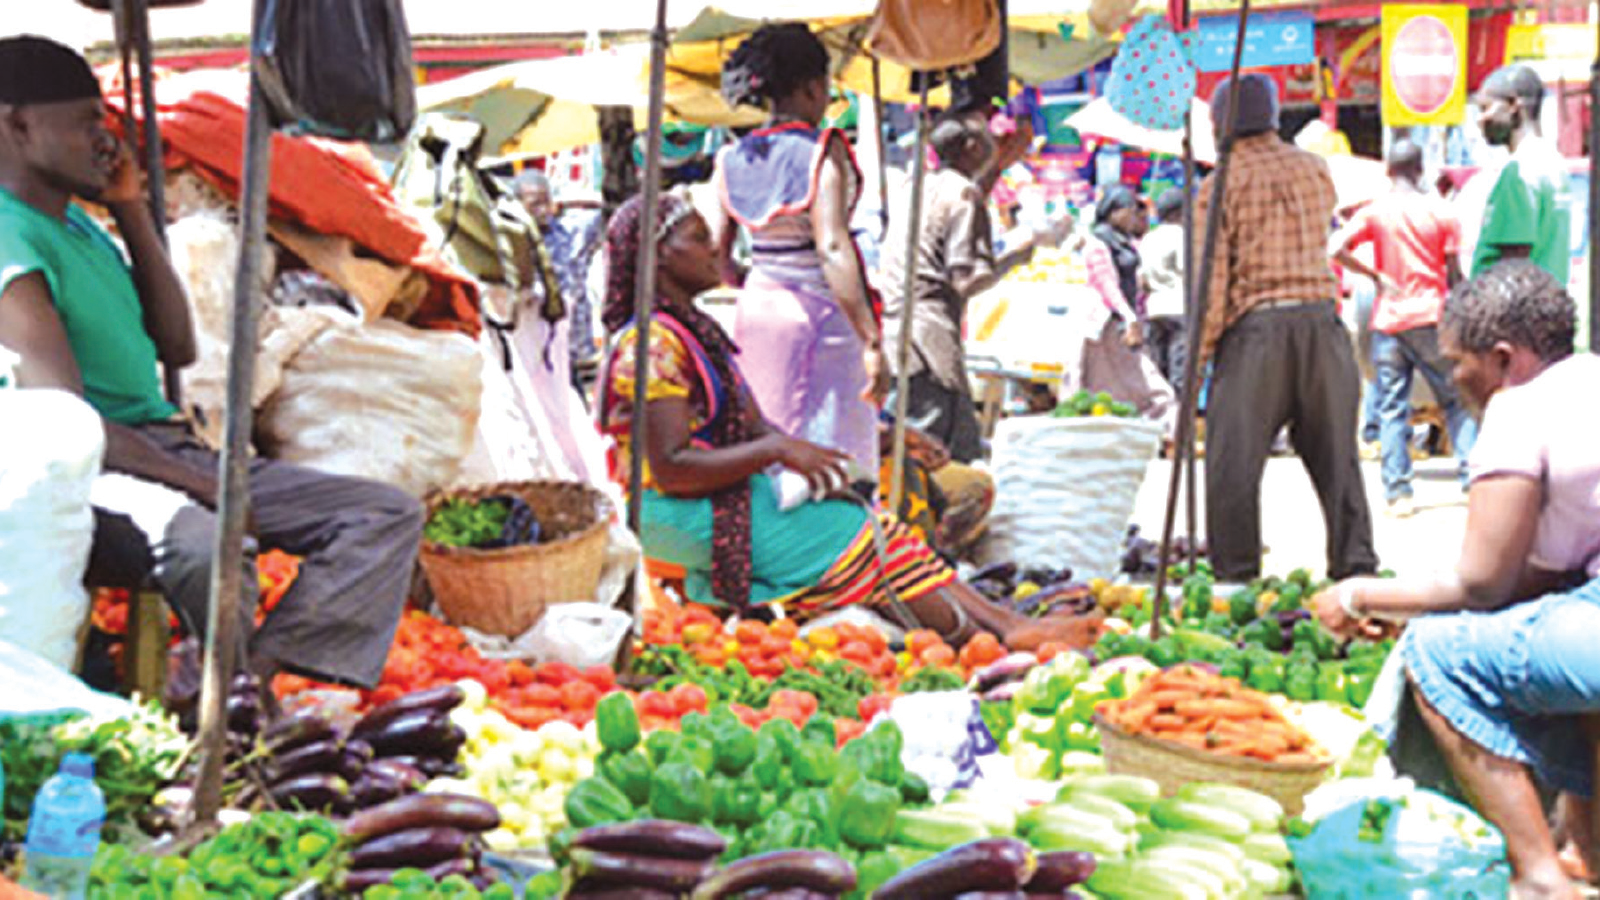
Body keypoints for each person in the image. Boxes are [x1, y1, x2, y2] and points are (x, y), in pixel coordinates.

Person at [0, 36, 423, 687]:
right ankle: (232, 705)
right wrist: (200, 483)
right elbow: (70, 428)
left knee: (381, 514)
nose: (105, 135)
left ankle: (249, 685)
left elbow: (177, 346)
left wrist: (131, 209)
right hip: (93, 469)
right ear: (17, 123)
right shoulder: (10, 237)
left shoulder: (78, 225)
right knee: (205, 543)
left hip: (165, 448)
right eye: (86, 119)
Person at [598, 191, 1101, 651]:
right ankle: (988, 639)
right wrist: (777, 454)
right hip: (673, 510)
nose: (716, 249)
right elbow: (670, 469)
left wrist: (866, 443)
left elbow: (756, 428)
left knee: (873, 524)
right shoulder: (651, 346)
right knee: (857, 535)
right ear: (660, 255)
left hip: (717, 494)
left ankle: (1004, 629)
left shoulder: (695, 332)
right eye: (699, 239)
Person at [1313, 261, 1600, 900]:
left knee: (1438, 654)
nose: (1452, 378)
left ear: (1502, 359)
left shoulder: (1520, 406)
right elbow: (1540, 584)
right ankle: (1586, 844)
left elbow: (1483, 587)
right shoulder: (1591, 378)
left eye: (1456, 362)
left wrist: (1359, 595)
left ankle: (1540, 875)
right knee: (1556, 629)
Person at [1194, 73, 1377, 583]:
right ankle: (1357, 573)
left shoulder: (1220, 184)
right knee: (1339, 462)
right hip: (1322, 323)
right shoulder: (1315, 170)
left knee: (1232, 465)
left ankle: (1235, 579)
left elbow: (1212, 283)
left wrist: (1199, 356)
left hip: (1257, 334)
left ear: (1221, 124)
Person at [712, 24, 886, 483]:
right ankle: (840, 547)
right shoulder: (821, 151)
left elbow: (719, 258)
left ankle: (772, 544)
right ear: (813, 86)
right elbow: (832, 246)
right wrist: (870, 339)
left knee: (770, 443)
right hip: (821, 314)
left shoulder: (731, 158)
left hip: (756, 309)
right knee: (836, 452)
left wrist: (764, 275)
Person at [878, 111, 1059, 464]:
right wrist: (1014, 259)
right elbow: (966, 279)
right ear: (972, 146)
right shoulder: (963, 193)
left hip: (898, 328)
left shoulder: (917, 186)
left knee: (937, 439)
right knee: (932, 443)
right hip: (928, 335)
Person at [1330, 139, 1477, 517]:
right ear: (1419, 169)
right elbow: (1454, 274)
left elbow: (1334, 247)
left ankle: (1399, 494)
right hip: (1431, 316)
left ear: (1388, 171)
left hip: (1389, 321)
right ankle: (1469, 481)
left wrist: (1374, 275)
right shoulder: (1442, 212)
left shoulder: (1375, 212)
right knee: (1456, 401)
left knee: (1392, 407)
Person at [1076, 185, 1177, 433]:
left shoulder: (1125, 243)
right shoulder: (1097, 243)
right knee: (1147, 388)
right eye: (1130, 210)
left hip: (1123, 324)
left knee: (1126, 389)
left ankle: (1155, 434)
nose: (1135, 216)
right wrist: (1129, 316)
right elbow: (1106, 283)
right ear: (1115, 212)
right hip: (1107, 326)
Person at [1467, 64, 1572, 283]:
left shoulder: (1519, 171)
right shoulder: (1553, 162)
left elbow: (1511, 267)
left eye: (1485, 108)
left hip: (1516, 312)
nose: (1480, 120)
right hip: (1547, 305)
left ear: (1514, 106)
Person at [515, 169, 604, 391]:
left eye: (547, 201)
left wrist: (568, 202)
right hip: (534, 358)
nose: (543, 210)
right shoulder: (512, 243)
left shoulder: (571, 231)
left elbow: (611, 209)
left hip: (576, 353)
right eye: (535, 204)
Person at [1139, 188, 1188, 397]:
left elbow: (1142, 278)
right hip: (1179, 307)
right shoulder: (1182, 236)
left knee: (1158, 368)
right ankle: (1177, 417)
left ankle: (1160, 414)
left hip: (1154, 307)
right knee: (1180, 369)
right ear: (1180, 213)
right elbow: (1188, 270)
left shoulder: (1149, 238)